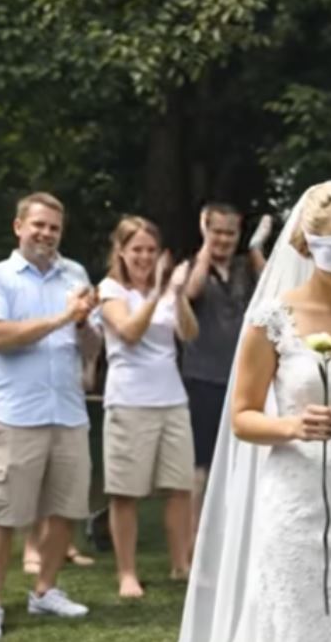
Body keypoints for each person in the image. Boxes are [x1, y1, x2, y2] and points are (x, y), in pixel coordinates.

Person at [179, 179, 331, 642]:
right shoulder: (272, 319)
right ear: (306, 246)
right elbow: (242, 417)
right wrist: (292, 425)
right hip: (298, 501)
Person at [0, 193, 99, 639]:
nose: (46, 234)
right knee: (2, 515)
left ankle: (45, 591)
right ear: (19, 226)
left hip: (69, 411)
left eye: (54, 227)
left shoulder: (76, 274)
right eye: (38, 225)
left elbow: (91, 348)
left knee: (66, 508)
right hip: (15, 413)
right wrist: (62, 317)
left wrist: (83, 324)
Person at [99, 215, 199, 598]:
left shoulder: (167, 292)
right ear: (121, 252)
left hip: (172, 399)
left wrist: (179, 295)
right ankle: (127, 573)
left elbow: (189, 333)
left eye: (151, 250)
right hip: (129, 401)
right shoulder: (111, 289)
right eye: (137, 249)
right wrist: (158, 291)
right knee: (126, 492)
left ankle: (181, 564)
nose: (144, 257)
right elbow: (129, 332)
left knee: (179, 487)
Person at [171, 203, 271, 545]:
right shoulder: (191, 266)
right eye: (217, 232)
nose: (224, 240)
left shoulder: (246, 269)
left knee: (242, 463)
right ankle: (195, 542)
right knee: (200, 466)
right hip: (202, 379)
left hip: (242, 379)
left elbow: (275, 289)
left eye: (230, 233)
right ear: (206, 231)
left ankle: (233, 539)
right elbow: (191, 292)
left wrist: (256, 249)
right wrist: (205, 245)